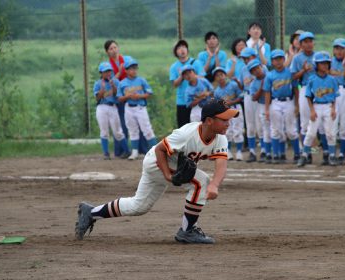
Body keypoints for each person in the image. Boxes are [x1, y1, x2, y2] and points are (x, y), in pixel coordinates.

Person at [75, 100, 239, 244]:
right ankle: (187, 231)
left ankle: (91, 212)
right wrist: (168, 175)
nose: (228, 123)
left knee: (139, 206)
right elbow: (160, 150)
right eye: (224, 119)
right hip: (157, 162)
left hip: (166, 163)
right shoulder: (187, 134)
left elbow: (221, 163)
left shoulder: (220, 138)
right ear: (209, 120)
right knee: (201, 182)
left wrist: (215, 185)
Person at [104, 40, 147, 156]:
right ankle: (123, 150)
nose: (113, 50)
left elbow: (134, 74)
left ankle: (142, 148)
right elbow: (111, 82)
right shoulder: (108, 66)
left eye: (115, 47)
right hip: (120, 96)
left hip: (133, 94)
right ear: (107, 52)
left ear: (118, 48)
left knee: (139, 122)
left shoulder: (127, 59)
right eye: (110, 49)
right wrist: (119, 72)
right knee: (123, 124)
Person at [297, 52, 339, 167]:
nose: (325, 65)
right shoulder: (312, 79)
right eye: (322, 63)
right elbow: (309, 97)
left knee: (330, 133)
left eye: (326, 63)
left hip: (328, 106)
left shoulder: (332, 79)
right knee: (311, 132)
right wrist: (311, 110)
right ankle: (304, 155)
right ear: (316, 65)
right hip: (316, 106)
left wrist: (334, 109)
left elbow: (335, 96)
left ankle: (331, 156)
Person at [264, 49, 300, 164]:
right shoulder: (270, 75)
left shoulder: (289, 73)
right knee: (275, 129)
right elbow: (267, 92)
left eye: (280, 58)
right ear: (272, 62)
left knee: (291, 130)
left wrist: (297, 104)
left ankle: (297, 154)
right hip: (275, 102)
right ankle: (276, 154)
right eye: (275, 59)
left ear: (284, 60)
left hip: (289, 101)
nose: (278, 61)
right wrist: (266, 109)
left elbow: (295, 89)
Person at [117, 59, 157, 160]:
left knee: (147, 130)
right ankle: (134, 152)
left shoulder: (141, 80)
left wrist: (139, 96)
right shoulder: (122, 83)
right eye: (131, 68)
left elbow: (149, 93)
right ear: (126, 70)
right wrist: (128, 96)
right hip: (129, 108)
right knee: (132, 130)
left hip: (140, 108)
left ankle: (156, 151)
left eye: (135, 68)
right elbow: (119, 98)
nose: (134, 70)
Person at [93, 62, 130, 160]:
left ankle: (127, 151)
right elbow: (97, 98)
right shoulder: (98, 83)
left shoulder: (116, 82)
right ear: (101, 73)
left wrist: (113, 87)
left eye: (109, 71)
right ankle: (106, 153)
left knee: (117, 131)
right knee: (104, 131)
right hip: (101, 107)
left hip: (113, 107)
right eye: (105, 72)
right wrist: (101, 91)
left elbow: (117, 97)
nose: (108, 73)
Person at [291, 31, 316, 163]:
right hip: (305, 88)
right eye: (305, 41)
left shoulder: (318, 56)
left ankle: (323, 153)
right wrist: (304, 71)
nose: (308, 44)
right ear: (300, 44)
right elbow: (293, 77)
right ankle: (307, 153)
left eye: (310, 41)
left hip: (319, 89)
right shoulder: (297, 58)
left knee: (321, 124)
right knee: (305, 123)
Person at [239, 48, 267, 162]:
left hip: (261, 98)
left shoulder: (262, 68)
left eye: (248, 57)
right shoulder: (243, 69)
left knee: (261, 124)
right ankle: (252, 151)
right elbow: (242, 86)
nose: (246, 60)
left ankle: (264, 150)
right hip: (248, 96)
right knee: (250, 125)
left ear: (254, 56)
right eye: (244, 58)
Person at [169, 40, 205, 128]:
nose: (182, 50)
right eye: (179, 48)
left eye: (184, 47)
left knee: (198, 128)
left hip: (196, 100)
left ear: (187, 50)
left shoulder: (196, 63)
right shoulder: (174, 67)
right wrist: (182, 75)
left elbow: (202, 78)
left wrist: (191, 75)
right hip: (182, 102)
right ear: (175, 52)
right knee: (183, 129)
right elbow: (174, 84)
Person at [213, 67, 245, 161]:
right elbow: (217, 103)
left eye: (221, 74)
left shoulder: (233, 85)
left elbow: (241, 96)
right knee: (228, 131)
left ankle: (239, 151)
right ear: (215, 78)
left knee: (238, 129)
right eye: (217, 76)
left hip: (236, 108)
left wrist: (232, 102)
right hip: (225, 112)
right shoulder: (217, 91)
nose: (220, 77)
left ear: (225, 75)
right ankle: (229, 151)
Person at [248, 59, 272, 163]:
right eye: (253, 70)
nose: (256, 71)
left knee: (277, 128)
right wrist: (262, 88)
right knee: (265, 128)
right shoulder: (253, 84)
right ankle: (267, 152)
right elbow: (254, 98)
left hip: (274, 103)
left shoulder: (270, 75)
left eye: (257, 68)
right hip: (262, 105)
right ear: (252, 73)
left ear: (261, 67)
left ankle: (278, 152)